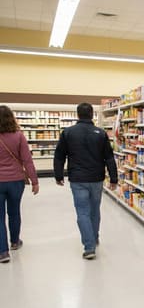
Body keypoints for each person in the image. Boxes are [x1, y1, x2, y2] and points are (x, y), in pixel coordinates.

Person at [54, 103, 117, 260]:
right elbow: (109, 157)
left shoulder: (68, 133)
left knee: (82, 211)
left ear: (78, 114)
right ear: (91, 114)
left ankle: (89, 247)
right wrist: (114, 178)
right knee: (95, 210)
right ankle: (94, 237)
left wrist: (58, 175)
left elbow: (59, 155)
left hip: (78, 179)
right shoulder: (101, 133)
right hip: (96, 179)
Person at [0, 105, 39, 263]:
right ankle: (15, 242)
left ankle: (3, 252)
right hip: (16, 181)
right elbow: (27, 160)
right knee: (14, 212)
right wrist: (34, 181)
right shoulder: (19, 136)